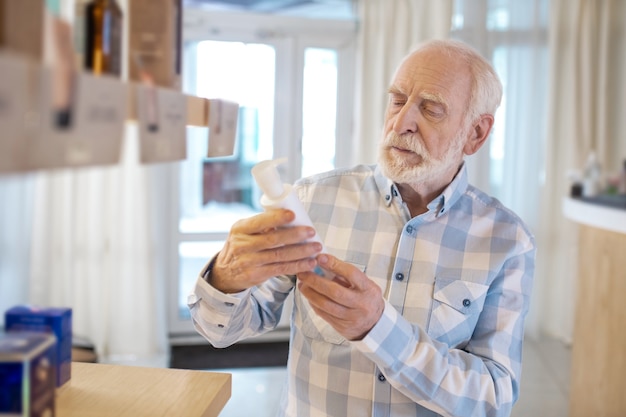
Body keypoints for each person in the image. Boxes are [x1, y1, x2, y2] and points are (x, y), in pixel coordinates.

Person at [188, 39, 536, 417]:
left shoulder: (507, 241)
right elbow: (220, 331)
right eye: (398, 100)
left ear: (476, 134)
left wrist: (378, 328)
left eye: (431, 108)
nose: (402, 123)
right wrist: (226, 279)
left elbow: (493, 399)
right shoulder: (312, 200)